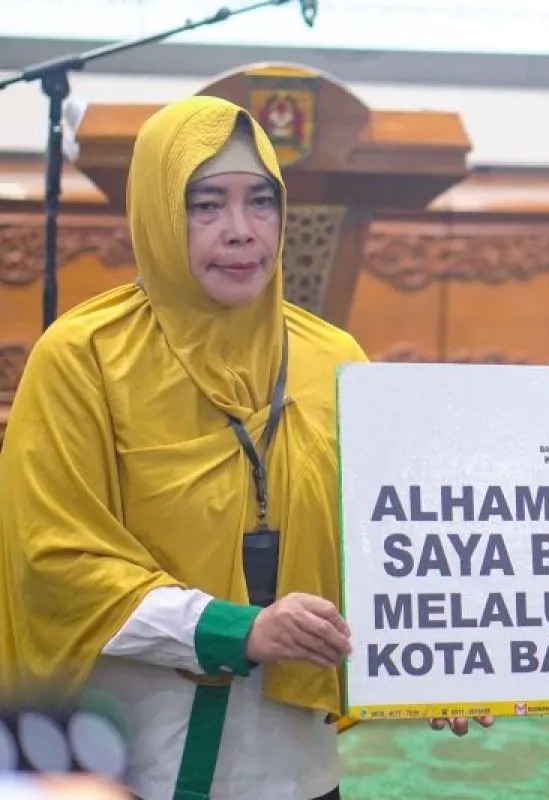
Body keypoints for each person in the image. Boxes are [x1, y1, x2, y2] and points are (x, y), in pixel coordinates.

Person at [0, 95, 414, 800]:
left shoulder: (335, 358)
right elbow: (58, 562)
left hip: (295, 761)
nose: (242, 231)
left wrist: (438, 666)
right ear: (158, 214)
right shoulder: (84, 358)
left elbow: (387, 541)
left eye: (261, 202)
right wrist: (235, 629)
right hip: (145, 754)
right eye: (206, 205)